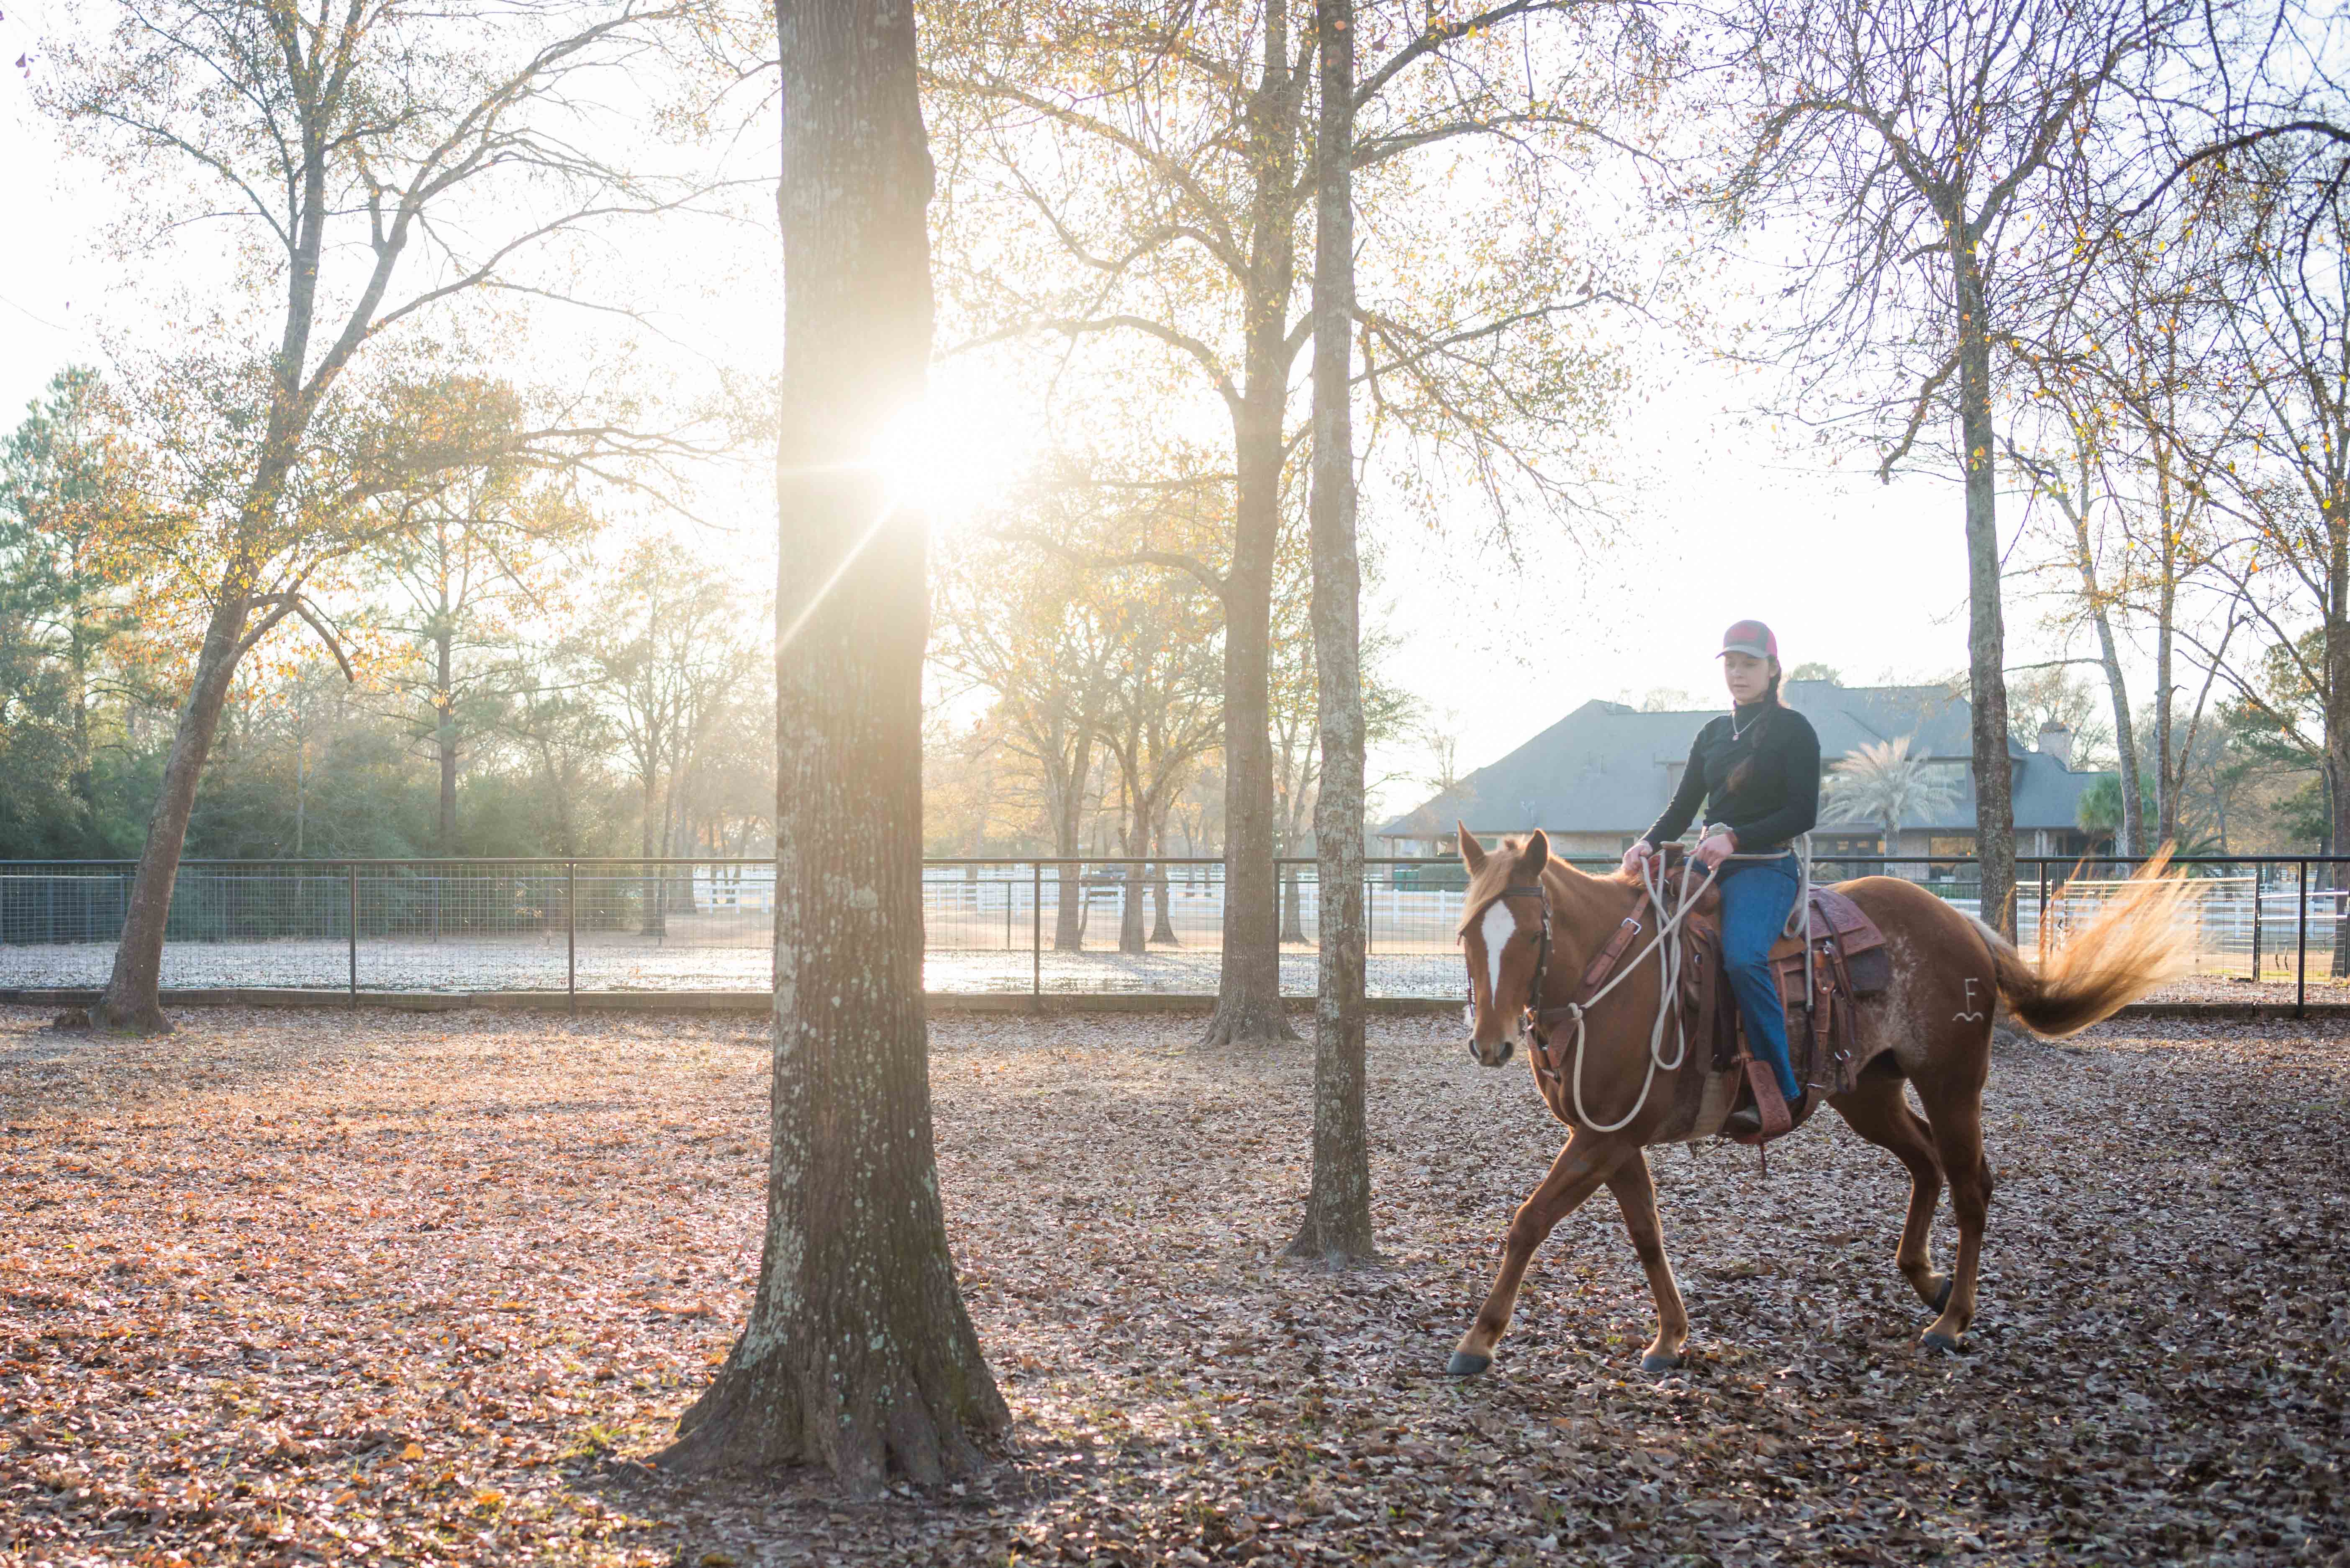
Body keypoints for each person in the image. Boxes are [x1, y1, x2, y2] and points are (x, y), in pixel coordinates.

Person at [1620, 620, 1821, 1134]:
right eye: (1731, 663)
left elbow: (1803, 812)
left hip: (1766, 867)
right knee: (1643, 933)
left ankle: (1782, 1086)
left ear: (1773, 669)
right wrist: (1645, 843)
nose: (1738, 672)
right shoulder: (1711, 733)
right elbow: (1683, 808)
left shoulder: (1795, 731)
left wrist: (1736, 837)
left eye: (1749, 663)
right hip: (1708, 868)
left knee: (1742, 956)